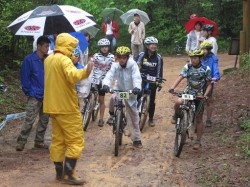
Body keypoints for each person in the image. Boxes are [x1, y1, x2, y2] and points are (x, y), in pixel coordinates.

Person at [43, 33, 94, 185]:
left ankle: (59, 173)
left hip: (52, 107)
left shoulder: (49, 59)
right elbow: (72, 76)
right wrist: (86, 70)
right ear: (67, 46)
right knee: (75, 140)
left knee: (58, 140)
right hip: (66, 107)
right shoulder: (64, 60)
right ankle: (69, 174)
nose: (73, 50)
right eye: (72, 47)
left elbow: (60, 75)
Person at [169, 47, 212, 150]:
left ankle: (198, 141)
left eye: (195, 58)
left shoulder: (206, 69)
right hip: (188, 92)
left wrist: (205, 95)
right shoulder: (187, 67)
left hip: (199, 95)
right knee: (178, 102)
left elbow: (209, 84)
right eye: (191, 58)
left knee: (199, 117)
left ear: (200, 58)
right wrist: (172, 87)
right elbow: (180, 77)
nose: (193, 60)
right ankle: (176, 116)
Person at [102, 46, 143, 148]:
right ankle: (111, 115)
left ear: (128, 57)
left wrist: (137, 87)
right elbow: (109, 75)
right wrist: (106, 84)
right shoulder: (115, 66)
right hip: (119, 88)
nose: (122, 60)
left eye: (124, 57)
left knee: (133, 115)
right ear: (117, 57)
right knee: (112, 98)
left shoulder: (133, 65)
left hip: (131, 91)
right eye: (120, 57)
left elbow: (136, 77)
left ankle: (137, 139)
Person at [16, 36, 51, 152]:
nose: (47, 48)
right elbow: (25, 78)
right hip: (34, 95)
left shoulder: (49, 60)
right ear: (39, 46)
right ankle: (21, 142)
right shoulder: (29, 60)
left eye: (48, 46)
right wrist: (30, 92)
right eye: (46, 46)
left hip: (47, 95)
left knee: (44, 120)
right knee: (30, 119)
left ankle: (39, 141)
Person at [136, 36, 164, 127]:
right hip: (142, 79)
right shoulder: (141, 55)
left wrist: (159, 82)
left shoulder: (158, 58)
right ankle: (135, 116)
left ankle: (151, 118)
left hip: (153, 80)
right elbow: (136, 67)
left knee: (152, 101)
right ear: (147, 46)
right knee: (137, 96)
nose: (154, 46)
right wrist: (137, 75)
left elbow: (159, 70)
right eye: (152, 44)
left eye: (155, 45)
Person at [91, 38, 114, 127]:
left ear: (108, 47)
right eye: (102, 47)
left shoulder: (111, 57)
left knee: (101, 100)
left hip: (104, 79)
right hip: (95, 77)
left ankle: (101, 119)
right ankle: (88, 103)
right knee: (89, 91)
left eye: (106, 47)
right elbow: (91, 61)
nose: (104, 48)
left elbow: (115, 67)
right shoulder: (96, 55)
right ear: (100, 48)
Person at [200, 41, 220, 127]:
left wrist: (216, 76)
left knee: (208, 100)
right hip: (199, 81)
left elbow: (215, 68)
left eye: (205, 49)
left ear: (208, 50)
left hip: (209, 81)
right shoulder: (199, 57)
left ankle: (208, 119)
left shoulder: (213, 58)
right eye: (202, 49)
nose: (204, 51)